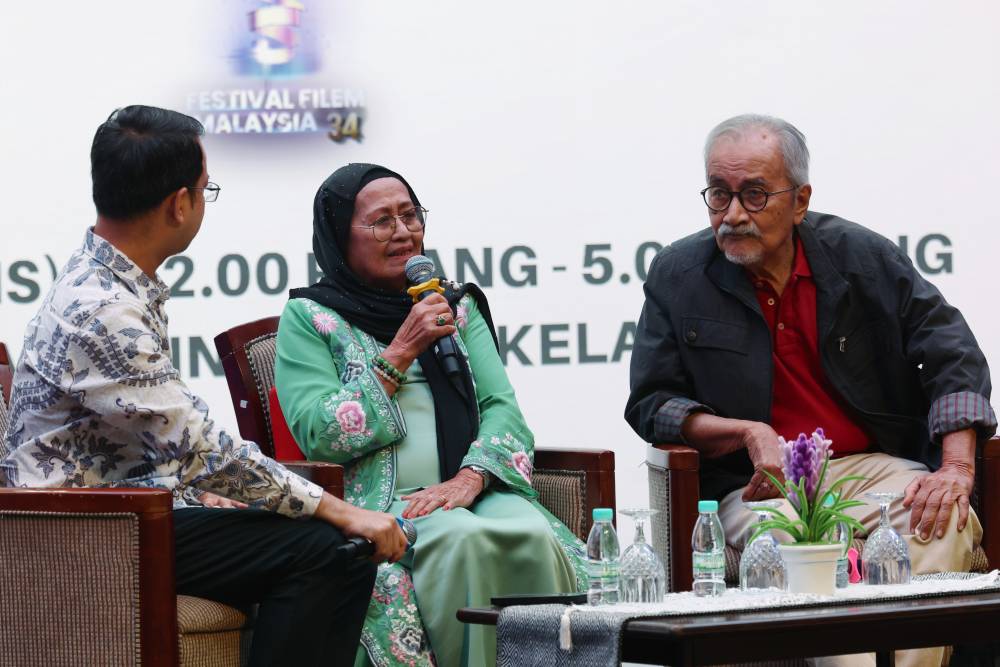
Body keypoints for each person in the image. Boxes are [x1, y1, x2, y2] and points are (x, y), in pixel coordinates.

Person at [0, 106, 407, 667]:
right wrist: (338, 510)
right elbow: (200, 445)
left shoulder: (106, 280)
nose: (201, 201)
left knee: (315, 544)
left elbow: (161, 437)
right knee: (330, 549)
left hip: (126, 510)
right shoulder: (102, 309)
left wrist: (202, 492)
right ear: (179, 203)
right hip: (83, 536)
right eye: (204, 188)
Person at [625, 114, 995, 667]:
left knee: (943, 520)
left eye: (754, 195)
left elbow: (952, 351)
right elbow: (652, 402)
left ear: (799, 201)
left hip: (872, 467)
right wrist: (747, 432)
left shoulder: (861, 257)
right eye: (718, 195)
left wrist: (956, 468)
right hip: (759, 488)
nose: (732, 215)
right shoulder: (679, 274)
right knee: (807, 555)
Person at [274, 163, 585, 667]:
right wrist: (400, 352)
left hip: (470, 490)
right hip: (377, 504)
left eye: (410, 215)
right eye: (381, 221)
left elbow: (502, 408)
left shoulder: (454, 305)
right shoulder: (311, 318)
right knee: (462, 540)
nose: (403, 232)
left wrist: (472, 477)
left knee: (529, 534)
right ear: (338, 235)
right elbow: (318, 435)